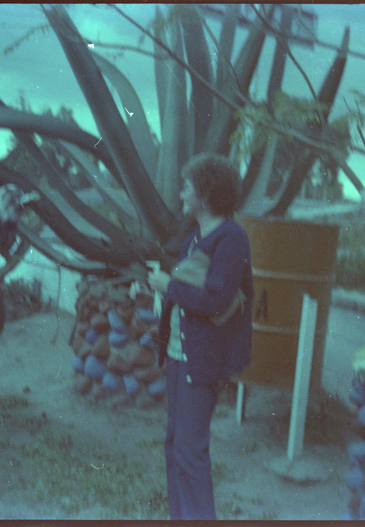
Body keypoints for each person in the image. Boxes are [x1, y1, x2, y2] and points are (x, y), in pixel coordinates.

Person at [147, 153, 253, 520]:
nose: (180, 194)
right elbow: (188, 286)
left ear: (206, 196)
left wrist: (169, 287)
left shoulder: (231, 239)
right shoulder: (196, 236)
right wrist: (163, 290)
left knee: (190, 451)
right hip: (179, 355)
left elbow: (216, 300)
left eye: (187, 187)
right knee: (175, 445)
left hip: (201, 360)